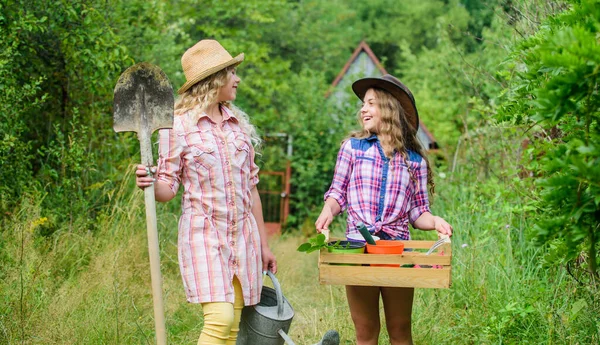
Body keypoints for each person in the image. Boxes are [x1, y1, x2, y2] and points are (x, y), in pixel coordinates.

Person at [135, 39, 277, 345]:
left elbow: (252, 190)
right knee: (219, 320)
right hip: (205, 235)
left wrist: (264, 245)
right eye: (232, 73)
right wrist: (149, 182)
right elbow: (167, 188)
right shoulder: (178, 127)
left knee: (232, 327)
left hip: (243, 237)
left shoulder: (238, 127)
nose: (238, 79)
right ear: (215, 80)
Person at [315, 74, 452, 345]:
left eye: (371, 103)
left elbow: (417, 212)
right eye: (363, 104)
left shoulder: (414, 163)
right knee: (365, 330)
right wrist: (328, 211)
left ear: (389, 109)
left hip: (396, 251)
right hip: (358, 249)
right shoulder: (352, 149)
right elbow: (337, 194)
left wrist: (435, 220)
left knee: (400, 328)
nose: (363, 109)